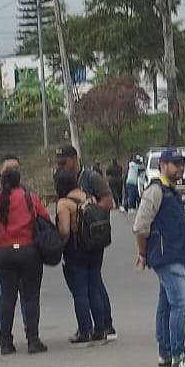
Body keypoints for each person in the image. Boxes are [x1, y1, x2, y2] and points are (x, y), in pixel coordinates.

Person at [0, 167, 50, 355]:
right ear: (19, 180)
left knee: (7, 297)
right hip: (29, 251)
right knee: (30, 297)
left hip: (4, 252)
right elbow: (45, 218)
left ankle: (6, 341)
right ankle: (33, 339)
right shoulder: (29, 198)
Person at [133, 148, 185, 367]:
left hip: (176, 255)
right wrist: (143, 254)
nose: (180, 168)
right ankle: (178, 356)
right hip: (166, 256)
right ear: (163, 166)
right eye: (175, 164)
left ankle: (165, 353)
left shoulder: (171, 190)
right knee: (181, 304)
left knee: (166, 304)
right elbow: (140, 226)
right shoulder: (155, 191)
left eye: (182, 164)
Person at [56, 145, 117, 339]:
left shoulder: (91, 178)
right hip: (91, 246)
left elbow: (108, 202)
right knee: (93, 285)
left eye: (64, 163)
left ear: (75, 158)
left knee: (85, 289)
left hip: (84, 242)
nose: (62, 167)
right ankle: (99, 327)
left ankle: (95, 327)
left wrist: (86, 214)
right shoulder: (84, 193)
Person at [0, 156, 27, 337]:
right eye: (9, 168)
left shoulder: (27, 192)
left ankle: (30, 330)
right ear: (0, 171)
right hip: (0, 249)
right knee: (2, 292)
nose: (13, 172)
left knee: (27, 292)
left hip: (25, 249)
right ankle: (2, 332)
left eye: (16, 168)